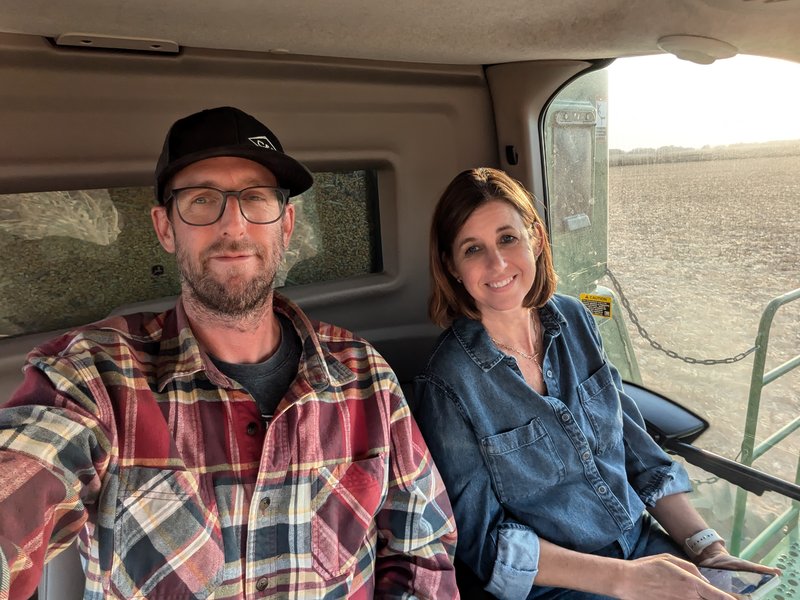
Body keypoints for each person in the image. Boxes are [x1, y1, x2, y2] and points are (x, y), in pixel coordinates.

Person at [0, 106, 458, 599]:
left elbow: (422, 551)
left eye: (255, 198)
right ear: (165, 228)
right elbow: (23, 482)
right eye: (202, 200)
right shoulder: (94, 377)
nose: (234, 225)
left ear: (286, 225)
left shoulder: (363, 374)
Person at [411, 167, 778, 600]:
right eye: (473, 249)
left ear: (536, 238)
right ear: (452, 266)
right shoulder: (447, 381)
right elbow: (485, 544)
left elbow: (635, 448)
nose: (498, 264)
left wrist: (707, 548)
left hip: (642, 544)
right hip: (560, 585)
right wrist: (628, 580)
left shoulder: (576, 319)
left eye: (508, 238)